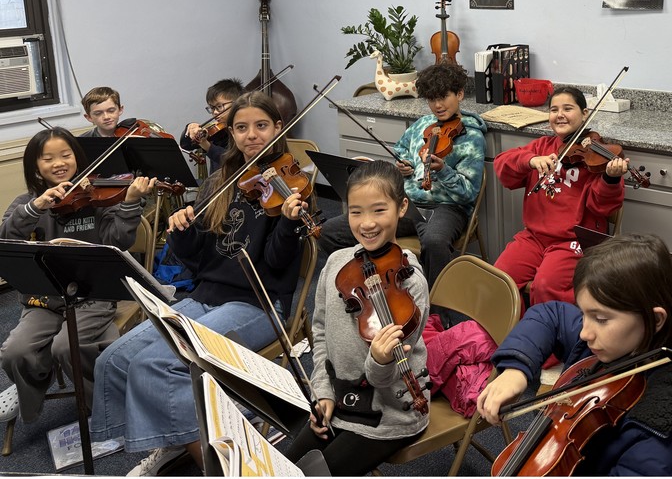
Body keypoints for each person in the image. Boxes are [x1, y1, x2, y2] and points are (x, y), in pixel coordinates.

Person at [89, 92, 308, 476]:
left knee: (155, 364)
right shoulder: (220, 182)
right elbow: (195, 259)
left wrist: (289, 225)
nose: (251, 135)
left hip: (259, 304)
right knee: (116, 359)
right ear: (232, 132)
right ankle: (174, 437)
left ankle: (218, 460)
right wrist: (183, 229)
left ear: (278, 128)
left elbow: (276, 265)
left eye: (261, 126)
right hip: (206, 294)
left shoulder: (292, 187)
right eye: (241, 127)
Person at [477, 233, 672, 475]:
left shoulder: (662, 437)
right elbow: (550, 315)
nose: (584, 333)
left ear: (655, 319)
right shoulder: (624, 343)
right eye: (583, 314)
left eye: (600, 318)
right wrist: (515, 370)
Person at [0, 127, 154, 425]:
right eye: (48, 158)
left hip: (92, 296)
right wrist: (35, 208)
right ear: (35, 165)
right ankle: (29, 385)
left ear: (77, 158)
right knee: (14, 353)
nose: (58, 163)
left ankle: (106, 409)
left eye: (66, 155)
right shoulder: (26, 202)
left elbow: (119, 241)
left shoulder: (95, 197)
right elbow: (5, 240)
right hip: (43, 298)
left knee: (65, 346)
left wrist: (131, 201)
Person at [286, 159, 429, 476]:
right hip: (340, 401)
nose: (367, 223)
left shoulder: (410, 285)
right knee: (281, 466)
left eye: (379, 210)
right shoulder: (337, 262)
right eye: (356, 211)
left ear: (401, 207)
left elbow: (387, 378)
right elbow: (320, 332)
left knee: (315, 474)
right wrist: (322, 392)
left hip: (388, 414)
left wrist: (380, 360)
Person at [318, 63, 485, 286]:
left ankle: (437, 312)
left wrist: (443, 170)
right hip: (408, 204)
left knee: (435, 242)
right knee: (330, 232)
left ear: (460, 94)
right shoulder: (421, 125)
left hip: (446, 207)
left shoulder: (472, 137)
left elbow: (468, 193)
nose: (437, 105)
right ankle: (374, 281)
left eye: (444, 97)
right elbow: (400, 152)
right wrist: (401, 166)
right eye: (431, 99)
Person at [493, 86, 626, 308]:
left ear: (585, 114)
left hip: (572, 242)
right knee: (499, 279)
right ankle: (506, 337)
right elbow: (502, 164)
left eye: (568, 108)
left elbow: (602, 207)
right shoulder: (542, 146)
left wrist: (610, 179)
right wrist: (530, 160)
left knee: (545, 286)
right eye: (554, 109)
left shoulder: (596, 155)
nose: (560, 114)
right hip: (534, 237)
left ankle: (549, 338)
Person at [179, 78, 245, 174]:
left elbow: (234, 162)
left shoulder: (244, 131)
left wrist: (206, 145)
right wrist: (190, 129)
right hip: (216, 185)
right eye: (212, 108)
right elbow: (186, 145)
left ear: (236, 104)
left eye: (219, 106)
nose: (214, 112)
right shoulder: (218, 131)